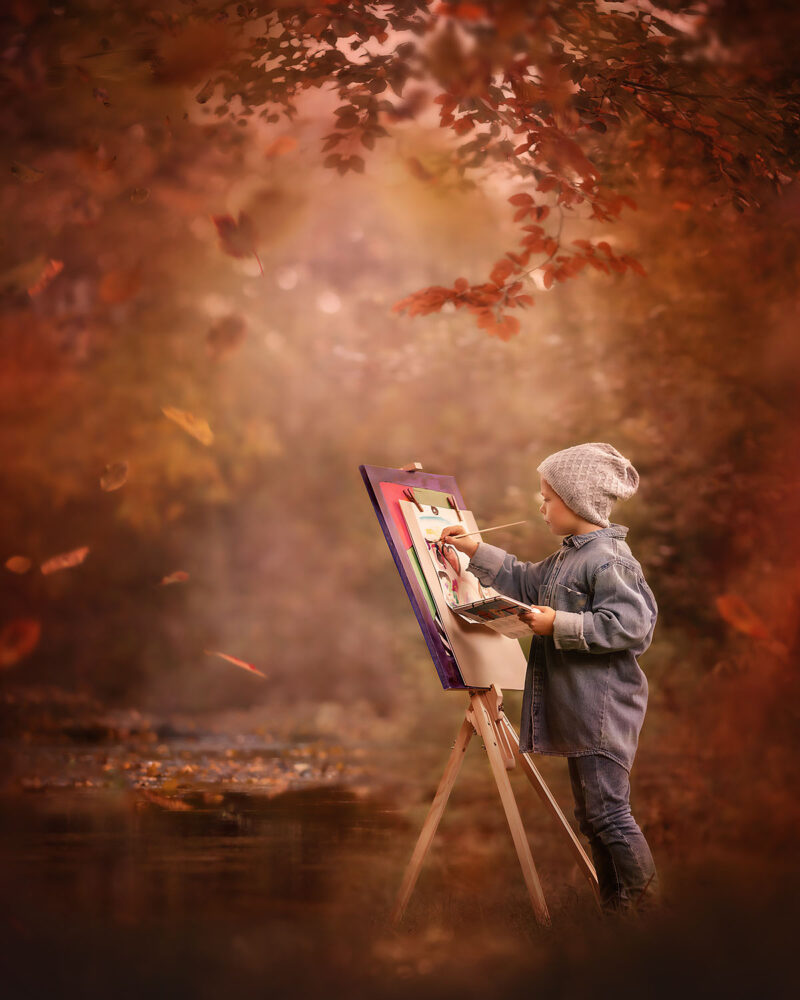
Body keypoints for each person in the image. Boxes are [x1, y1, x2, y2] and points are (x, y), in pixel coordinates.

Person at [438, 442, 659, 914]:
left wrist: (557, 623)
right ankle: (617, 913)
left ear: (576, 501)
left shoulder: (610, 560)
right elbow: (523, 579)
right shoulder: (566, 559)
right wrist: (475, 549)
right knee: (593, 816)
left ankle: (642, 913)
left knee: (609, 814)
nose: (541, 506)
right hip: (582, 710)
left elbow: (632, 626)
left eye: (548, 497)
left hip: (603, 711)